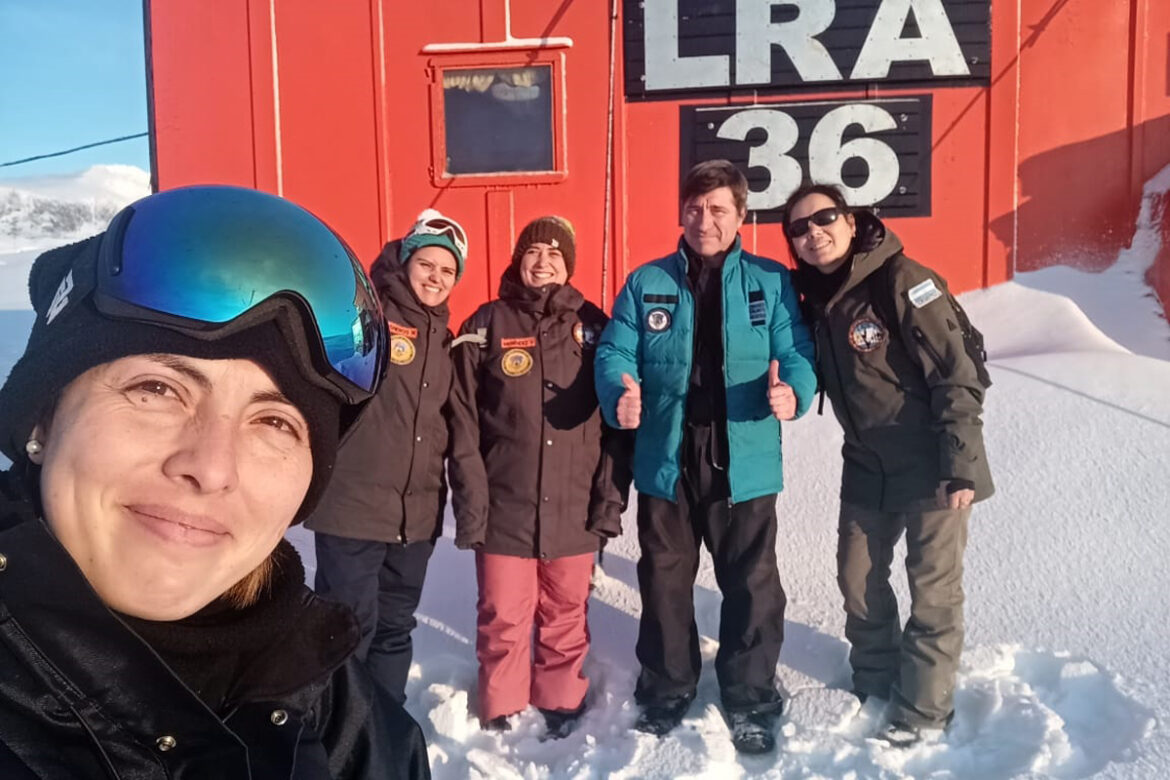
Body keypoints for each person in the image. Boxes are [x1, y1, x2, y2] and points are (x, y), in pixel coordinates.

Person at [0, 185, 430, 779]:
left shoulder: (348, 726)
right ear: (43, 420)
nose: (211, 467)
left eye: (274, 421)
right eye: (156, 389)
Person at [593, 160, 817, 754]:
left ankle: (750, 695)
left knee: (751, 580)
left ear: (741, 216)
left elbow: (795, 349)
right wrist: (620, 389)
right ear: (681, 214)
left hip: (743, 452)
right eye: (694, 209)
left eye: (718, 209)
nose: (704, 220)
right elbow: (615, 348)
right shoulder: (648, 282)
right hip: (668, 452)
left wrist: (794, 389)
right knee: (665, 578)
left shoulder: (769, 282)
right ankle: (667, 688)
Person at [781, 183, 993, 747]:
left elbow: (957, 371)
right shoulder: (816, 299)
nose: (812, 234)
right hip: (867, 464)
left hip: (932, 460)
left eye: (823, 219)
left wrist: (960, 462)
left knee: (934, 591)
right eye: (798, 229)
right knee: (858, 579)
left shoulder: (902, 279)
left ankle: (924, 711)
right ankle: (876, 683)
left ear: (853, 222)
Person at [447, 216, 628, 739]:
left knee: (566, 613)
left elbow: (619, 425)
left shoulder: (596, 327)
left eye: (554, 253)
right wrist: (472, 505)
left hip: (573, 505)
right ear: (517, 260)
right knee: (503, 614)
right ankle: (501, 706)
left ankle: (561, 700)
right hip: (506, 506)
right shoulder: (486, 324)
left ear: (568, 264)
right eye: (533, 251)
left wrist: (606, 502)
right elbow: (462, 424)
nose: (543, 261)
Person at [307, 209, 467, 705]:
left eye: (448, 271)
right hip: (353, 509)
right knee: (346, 628)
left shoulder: (446, 340)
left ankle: (384, 726)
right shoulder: (368, 319)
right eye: (428, 265)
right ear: (406, 260)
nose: (436, 278)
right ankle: (339, 729)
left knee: (396, 628)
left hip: (414, 518)